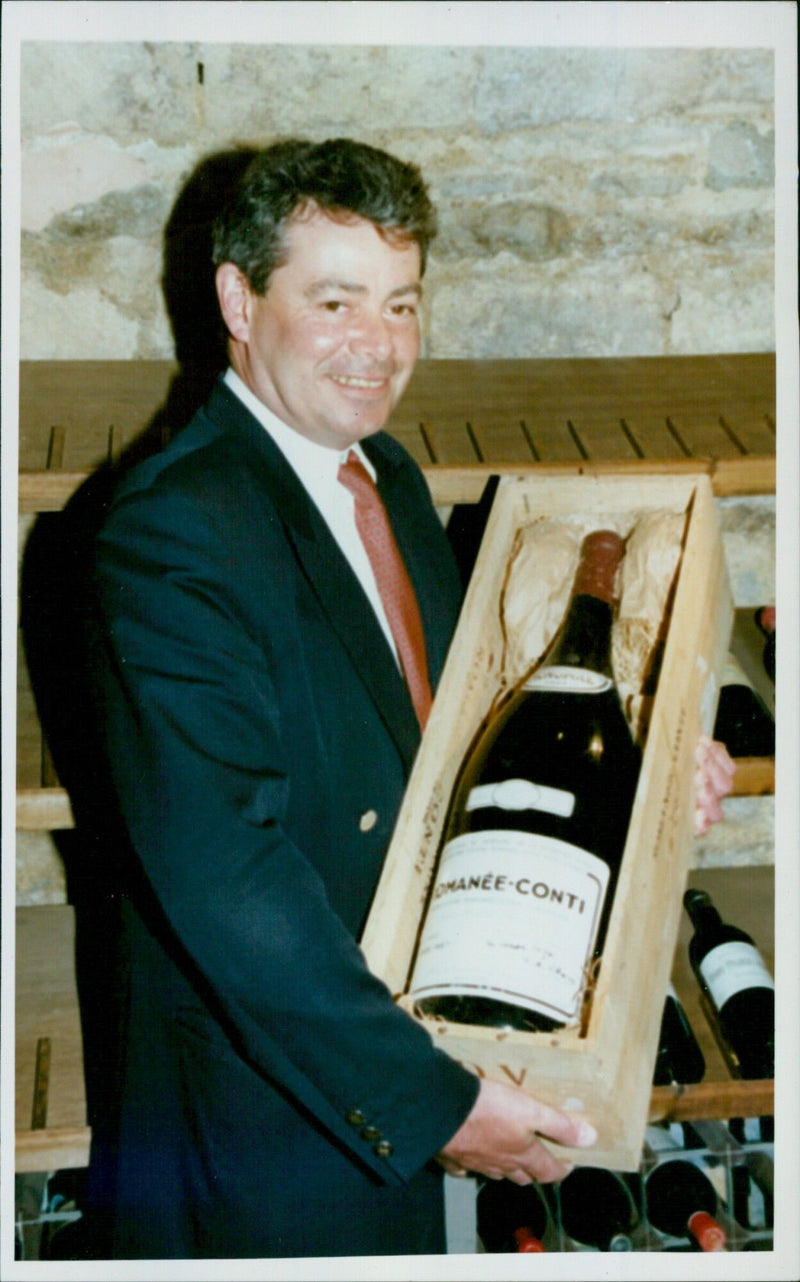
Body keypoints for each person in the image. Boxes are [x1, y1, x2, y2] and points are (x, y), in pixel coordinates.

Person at [79, 137, 733, 1260]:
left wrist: (644, 777)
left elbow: (444, 758)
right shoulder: (170, 534)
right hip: (265, 1130)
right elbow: (230, 882)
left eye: (400, 304)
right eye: (333, 301)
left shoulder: (385, 476)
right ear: (238, 298)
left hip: (395, 1060)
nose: (376, 347)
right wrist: (435, 1101)